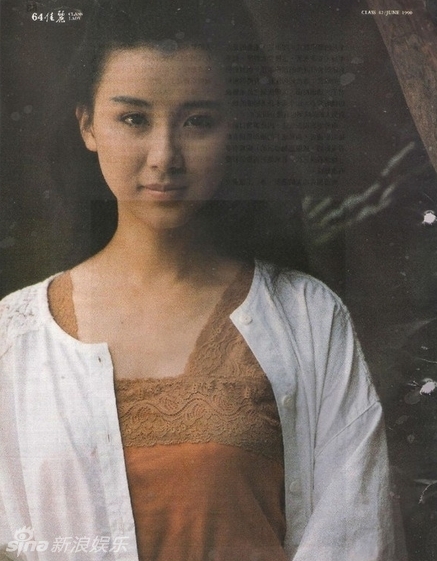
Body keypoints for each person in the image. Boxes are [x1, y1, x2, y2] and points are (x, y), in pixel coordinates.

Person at [0, 1, 399, 559]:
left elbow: (356, 535)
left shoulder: (306, 316)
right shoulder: (15, 337)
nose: (165, 157)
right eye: (133, 119)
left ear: (234, 128)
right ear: (88, 125)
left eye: (198, 122)